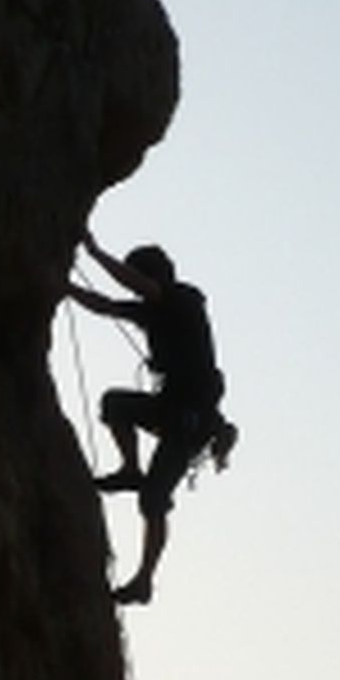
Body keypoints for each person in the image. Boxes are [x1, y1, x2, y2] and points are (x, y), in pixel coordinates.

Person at [68, 230, 237, 605]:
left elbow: (140, 288)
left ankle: (144, 580)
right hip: (172, 411)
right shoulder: (154, 308)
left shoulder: (184, 299)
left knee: (154, 497)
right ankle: (130, 467)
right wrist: (63, 287)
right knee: (115, 404)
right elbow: (106, 305)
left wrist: (95, 253)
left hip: (191, 421)